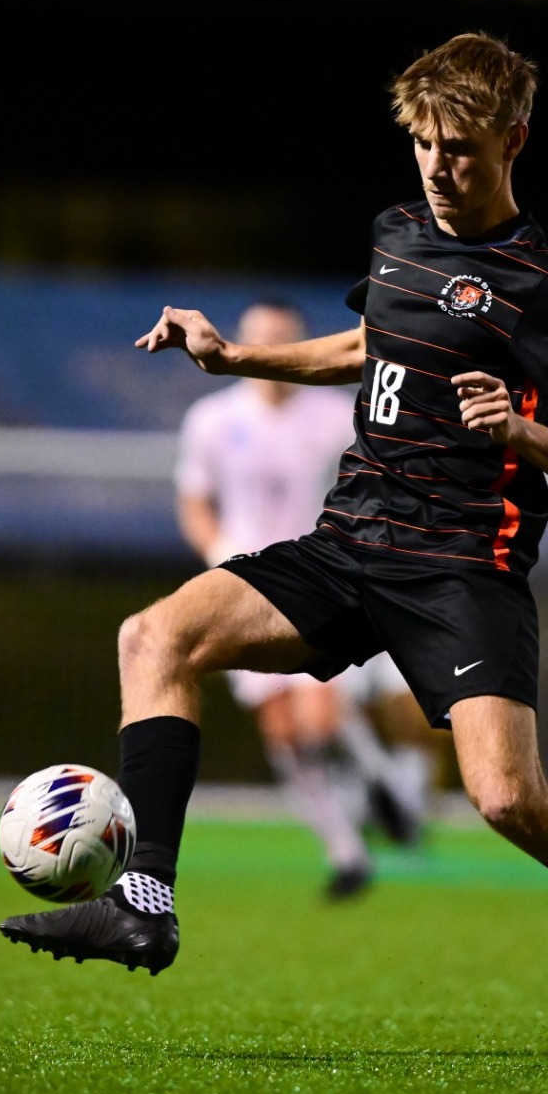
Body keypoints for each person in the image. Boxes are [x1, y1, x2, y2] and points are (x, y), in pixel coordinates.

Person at [1, 33, 548, 1064]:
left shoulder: (541, 286)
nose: (436, 165)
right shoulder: (397, 234)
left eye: (460, 148)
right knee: (151, 637)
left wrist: (520, 431)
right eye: (423, 142)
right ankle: (142, 903)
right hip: (349, 544)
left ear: (514, 139)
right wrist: (232, 356)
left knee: (509, 800)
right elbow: (362, 344)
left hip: (463, 570)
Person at [173, 298, 428, 899]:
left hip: (322, 576)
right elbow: (193, 500)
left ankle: (382, 785)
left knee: (320, 715)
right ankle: (347, 850)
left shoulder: (336, 416)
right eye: (260, 336)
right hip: (240, 584)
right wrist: (217, 549)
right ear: (242, 340)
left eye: (282, 338)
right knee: (284, 731)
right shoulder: (211, 419)